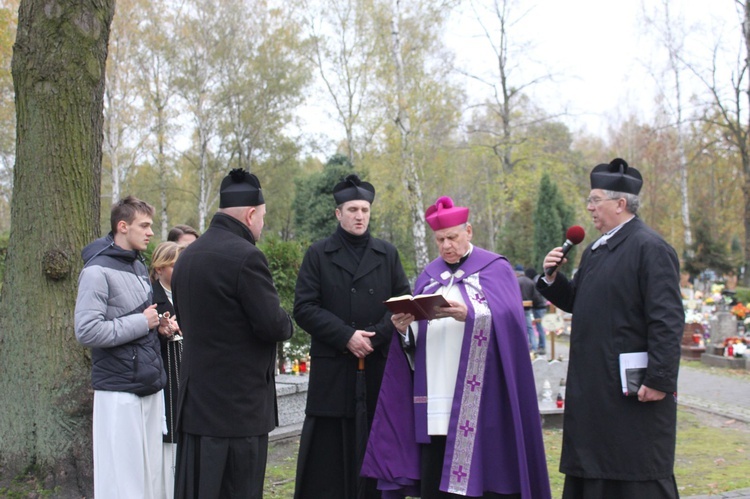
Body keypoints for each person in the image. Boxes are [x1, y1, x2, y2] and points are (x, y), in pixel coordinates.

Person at [362, 196, 551, 499]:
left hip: (484, 396)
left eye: (452, 237)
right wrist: (404, 328)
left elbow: (512, 322)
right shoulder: (429, 276)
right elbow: (416, 335)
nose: (447, 245)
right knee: (437, 469)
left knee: (485, 472)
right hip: (436, 391)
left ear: (469, 232)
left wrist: (472, 315)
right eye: (440, 240)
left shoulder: (496, 268)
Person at [537, 158, 684, 499]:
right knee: (593, 467)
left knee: (634, 467)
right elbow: (579, 301)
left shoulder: (651, 248)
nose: (588, 208)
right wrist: (551, 279)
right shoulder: (595, 251)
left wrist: (659, 378)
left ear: (620, 204)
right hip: (593, 387)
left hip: (631, 390)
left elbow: (667, 319)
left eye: (595, 200)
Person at [171, 168, 294, 499]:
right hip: (238, 412)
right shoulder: (246, 257)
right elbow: (273, 325)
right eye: (263, 218)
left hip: (196, 407)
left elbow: (184, 319)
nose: (263, 226)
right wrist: (288, 319)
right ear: (251, 213)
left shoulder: (186, 258)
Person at [293, 174, 411, 499]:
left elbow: (403, 304)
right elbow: (304, 307)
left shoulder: (387, 254)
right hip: (334, 368)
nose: (360, 216)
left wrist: (375, 337)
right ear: (338, 214)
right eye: (353, 209)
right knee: (330, 456)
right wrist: (346, 336)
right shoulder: (318, 254)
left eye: (365, 210)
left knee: (376, 441)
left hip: (378, 362)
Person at [74, 196, 168, 499]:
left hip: (148, 385)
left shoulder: (139, 267)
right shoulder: (95, 271)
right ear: (122, 226)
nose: (150, 232)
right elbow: (87, 330)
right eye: (144, 225)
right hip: (117, 392)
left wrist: (159, 327)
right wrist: (142, 322)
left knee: (149, 477)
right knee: (121, 482)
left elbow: (141, 323)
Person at [149, 241, 185, 499]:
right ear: (160, 268)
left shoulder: (188, 292)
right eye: (174, 264)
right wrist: (163, 332)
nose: (180, 269)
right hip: (166, 378)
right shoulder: (153, 297)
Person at [515, 263, 544, 353]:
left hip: (518, 308)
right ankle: (534, 347)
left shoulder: (516, 281)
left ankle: (524, 348)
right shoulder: (530, 281)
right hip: (528, 308)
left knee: (520, 328)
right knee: (530, 328)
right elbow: (535, 296)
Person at [525, 267, 548, 355]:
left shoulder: (536, 281)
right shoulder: (538, 279)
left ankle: (542, 346)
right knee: (539, 326)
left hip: (539, 306)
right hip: (541, 305)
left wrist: (533, 302)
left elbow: (536, 295)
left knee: (540, 327)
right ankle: (541, 345)